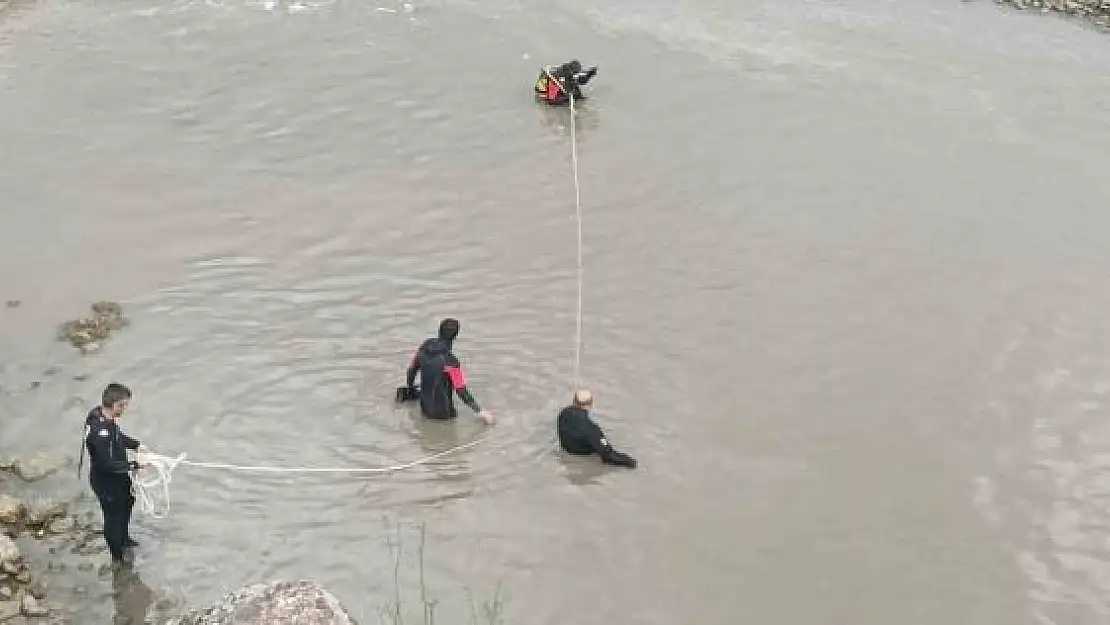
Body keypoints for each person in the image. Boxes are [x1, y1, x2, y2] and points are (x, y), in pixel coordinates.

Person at [81, 383, 145, 566]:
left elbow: (117, 436)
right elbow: (106, 464)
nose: (125, 409)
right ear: (115, 405)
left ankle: (124, 539)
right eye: (123, 405)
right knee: (112, 518)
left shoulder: (105, 418)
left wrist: (136, 445)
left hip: (119, 476)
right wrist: (134, 464)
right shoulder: (99, 432)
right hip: (106, 482)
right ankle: (117, 556)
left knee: (128, 503)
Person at [400, 318, 495, 424]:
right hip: (444, 415)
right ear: (455, 336)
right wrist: (480, 411)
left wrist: (410, 388)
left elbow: (412, 370)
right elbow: (460, 390)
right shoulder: (451, 362)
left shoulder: (425, 347)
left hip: (425, 410)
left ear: (439, 331)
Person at [557, 389, 637, 468]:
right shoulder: (592, 430)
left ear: (574, 401)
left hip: (566, 449)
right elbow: (608, 456)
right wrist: (631, 462)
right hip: (583, 457)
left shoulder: (564, 413)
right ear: (591, 404)